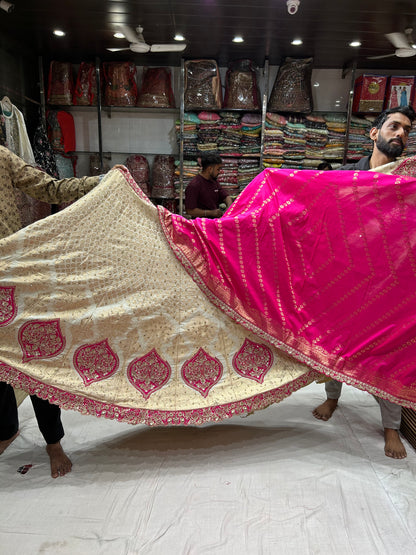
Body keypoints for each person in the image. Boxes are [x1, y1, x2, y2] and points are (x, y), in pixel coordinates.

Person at [312, 105, 416, 459]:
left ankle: (390, 427)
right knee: (337, 341)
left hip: (388, 283)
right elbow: (316, 211)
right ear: (374, 133)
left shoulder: (407, 182)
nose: (400, 133)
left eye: (407, 129)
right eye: (394, 126)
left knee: (390, 351)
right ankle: (332, 398)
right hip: (345, 275)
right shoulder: (344, 177)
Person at [0, 144, 101, 477]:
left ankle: (53, 442)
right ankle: (5, 430)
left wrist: (96, 183)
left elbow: (48, 187)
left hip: (8, 272)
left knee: (33, 354)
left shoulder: (1, 157)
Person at [185, 153, 232, 218]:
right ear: (210, 169)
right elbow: (190, 211)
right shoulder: (194, 185)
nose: (219, 172)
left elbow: (226, 196)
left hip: (213, 223)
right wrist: (210, 213)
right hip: (201, 225)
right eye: (218, 169)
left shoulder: (213, 181)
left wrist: (229, 208)